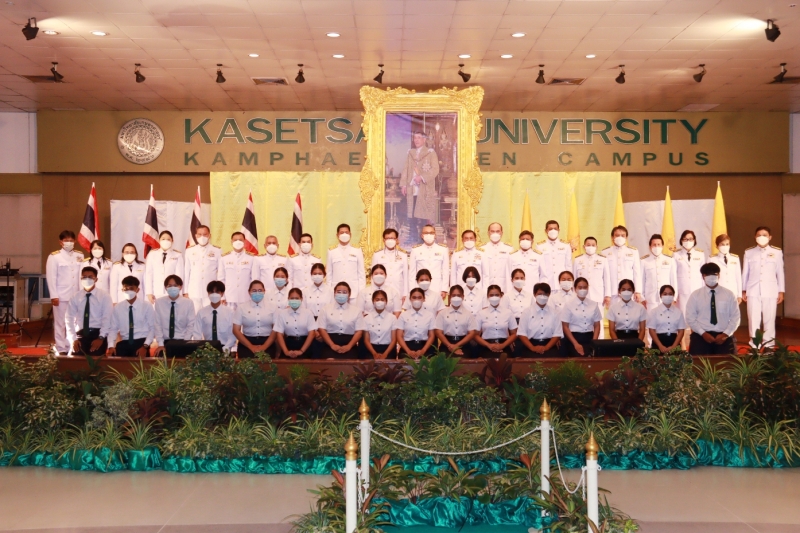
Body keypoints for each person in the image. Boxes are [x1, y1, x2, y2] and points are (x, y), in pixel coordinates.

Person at [742, 226, 784, 347]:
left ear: (770, 237)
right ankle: (754, 345)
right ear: (755, 237)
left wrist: (781, 291)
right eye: (759, 235)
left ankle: (768, 346)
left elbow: (780, 272)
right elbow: (745, 273)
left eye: (764, 235)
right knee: (753, 319)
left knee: (769, 319)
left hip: (770, 290)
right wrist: (743, 290)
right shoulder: (749, 252)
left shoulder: (777, 252)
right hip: (753, 290)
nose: (762, 237)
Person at [685, 262, 740, 355]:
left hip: (724, 335)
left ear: (719, 275)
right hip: (701, 335)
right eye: (708, 274)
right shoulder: (695, 295)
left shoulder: (729, 295)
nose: (711, 277)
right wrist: (703, 333)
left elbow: (736, 317)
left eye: (714, 274)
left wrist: (726, 334)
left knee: (730, 362)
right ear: (703, 276)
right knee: (697, 362)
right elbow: (690, 317)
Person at [46, 230, 85, 354]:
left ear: (75, 241)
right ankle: (61, 348)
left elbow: (81, 276)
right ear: (60, 242)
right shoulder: (54, 257)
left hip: (77, 295)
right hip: (61, 296)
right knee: (60, 323)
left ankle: (72, 346)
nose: (69, 243)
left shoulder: (80, 256)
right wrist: (54, 295)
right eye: (66, 240)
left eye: (71, 240)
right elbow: (51, 277)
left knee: (76, 322)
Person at [65, 266, 112, 356]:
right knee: (75, 358)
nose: (87, 279)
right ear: (81, 279)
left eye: (90, 277)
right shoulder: (75, 297)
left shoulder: (104, 296)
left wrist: (101, 338)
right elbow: (69, 319)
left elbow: (107, 318)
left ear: (96, 279)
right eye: (84, 277)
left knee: (95, 358)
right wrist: (73, 339)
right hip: (81, 334)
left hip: (98, 333)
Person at [400, 130, 439, 237]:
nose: (416, 140)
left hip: (424, 188)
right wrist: (403, 185)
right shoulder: (411, 153)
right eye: (415, 138)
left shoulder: (430, 153)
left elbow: (435, 169)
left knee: (423, 214)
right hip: (411, 187)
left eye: (419, 137)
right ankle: (412, 237)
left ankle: (422, 237)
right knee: (411, 213)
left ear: (424, 139)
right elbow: (406, 169)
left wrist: (421, 177)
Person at [107, 276, 155, 358]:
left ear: (137, 290)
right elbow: (113, 329)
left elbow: (153, 328)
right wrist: (111, 346)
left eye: (131, 288)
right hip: (125, 342)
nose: (128, 291)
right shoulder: (118, 307)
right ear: (122, 290)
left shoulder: (146, 306)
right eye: (126, 288)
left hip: (141, 342)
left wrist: (145, 346)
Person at [572, 236, 610, 339]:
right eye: (588, 245)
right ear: (584, 246)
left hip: (598, 295)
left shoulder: (603, 259)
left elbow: (607, 278)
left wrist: (607, 295)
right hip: (582, 296)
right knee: (583, 319)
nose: (590, 247)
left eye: (593, 245)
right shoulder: (578, 260)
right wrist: (574, 295)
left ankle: (600, 342)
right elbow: (574, 279)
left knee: (598, 320)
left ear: (597, 247)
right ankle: (585, 341)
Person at [674, 229, 705, 349]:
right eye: (685, 239)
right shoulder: (676, 255)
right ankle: (682, 345)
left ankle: (694, 344)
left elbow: (703, 275)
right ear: (681, 240)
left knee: (695, 319)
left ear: (694, 240)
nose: (688, 241)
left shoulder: (700, 254)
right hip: (682, 292)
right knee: (681, 319)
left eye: (690, 239)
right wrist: (675, 295)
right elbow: (674, 275)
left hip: (697, 292)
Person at [317, 282, 364, 359]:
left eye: (344, 292)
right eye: (339, 292)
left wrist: (349, 346)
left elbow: (359, 332)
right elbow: (322, 329)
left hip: (350, 345)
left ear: (349, 295)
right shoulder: (325, 309)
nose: (341, 294)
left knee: (350, 364)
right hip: (329, 344)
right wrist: (332, 345)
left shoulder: (356, 311)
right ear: (334, 293)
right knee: (329, 362)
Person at [233, 280, 277, 358]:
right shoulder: (241, 308)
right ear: (249, 292)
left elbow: (276, 329)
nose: (257, 293)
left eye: (260, 290)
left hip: (268, 343)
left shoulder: (273, 307)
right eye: (254, 291)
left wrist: (264, 347)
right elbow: (236, 330)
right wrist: (251, 346)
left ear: (264, 291)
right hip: (246, 343)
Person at [154, 275, 196, 356]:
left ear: (180, 287)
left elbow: (191, 324)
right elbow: (157, 324)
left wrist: (185, 342)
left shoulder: (188, 303)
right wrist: (160, 344)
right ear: (165, 287)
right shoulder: (159, 302)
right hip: (165, 342)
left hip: (182, 340)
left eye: (175, 285)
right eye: (169, 286)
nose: (172, 288)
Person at [516, 283, 562, 357]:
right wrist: (532, 347)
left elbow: (557, 334)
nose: (542, 296)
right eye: (540, 294)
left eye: (545, 294)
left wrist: (546, 347)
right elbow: (521, 333)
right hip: (530, 345)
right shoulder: (526, 312)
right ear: (534, 294)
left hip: (550, 346)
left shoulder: (555, 313)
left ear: (549, 295)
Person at [560, 277, 602, 357]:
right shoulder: (569, 305)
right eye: (580, 287)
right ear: (575, 289)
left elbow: (597, 325)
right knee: (579, 358)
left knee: (593, 359)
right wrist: (575, 344)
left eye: (585, 287)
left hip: (590, 337)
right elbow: (565, 326)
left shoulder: (594, 304)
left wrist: (594, 342)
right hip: (573, 338)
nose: (582, 290)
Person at [183, 225, 221, 312]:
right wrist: (185, 291)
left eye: (205, 234)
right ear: (196, 236)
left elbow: (220, 272)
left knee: (210, 315)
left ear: (209, 235)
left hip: (211, 290)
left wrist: (218, 290)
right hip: (194, 290)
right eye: (199, 234)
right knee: (194, 315)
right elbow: (186, 272)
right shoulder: (189, 251)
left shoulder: (217, 250)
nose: (202, 237)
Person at [434, 284, 478, 357]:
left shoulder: (468, 314)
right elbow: (438, 332)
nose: (456, 298)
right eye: (454, 295)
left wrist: (456, 345)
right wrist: (450, 345)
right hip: (446, 344)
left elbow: (472, 333)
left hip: (464, 344)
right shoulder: (442, 313)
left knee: (465, 360)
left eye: (459, 295)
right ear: (449, 297)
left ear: (463, 297)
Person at [602, 225, 642, 303]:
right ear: (612, 237)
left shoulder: (633, 251)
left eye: (623, 235)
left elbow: (637, 273)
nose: (620, 237)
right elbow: (604, 275)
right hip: (612, 293)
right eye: (617, 235)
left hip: (628, 291)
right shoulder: (605, 252)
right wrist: (606, 294)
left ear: (626, 237)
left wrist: (637, 291)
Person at [475, 284, 517, 357]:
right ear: (487, 296)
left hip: (504, 345)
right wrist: (488, 345)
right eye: (491, 295)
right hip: (485, 346)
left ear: (501, 296)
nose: (494, 297)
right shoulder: (481, 313)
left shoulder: (508, 312)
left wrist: (503, 345)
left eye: (497, 295)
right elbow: (475, 335)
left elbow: (514, 333)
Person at [193, 280, 237, 352]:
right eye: (211, 292)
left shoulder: (230, 312)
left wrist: (226, 348)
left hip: (225, 348)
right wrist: (201, 348)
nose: (214, 294)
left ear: (222, 293)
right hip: (206, 349)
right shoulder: (201, 312)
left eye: (217, 292)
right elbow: (197, 333)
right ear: (208, 294)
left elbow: (233, 334)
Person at [219, 232, 257, 312]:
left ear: (244, 241)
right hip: (229, 297)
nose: (238, 242)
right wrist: (222, 296)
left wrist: (253, 296)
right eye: (235, 240)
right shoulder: (224, 258)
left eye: (240, 240)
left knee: (246, 318)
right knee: (229, 319)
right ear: (231, 242)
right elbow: (221, 279)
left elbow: (254, 279)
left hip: (246, 297)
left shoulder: (251, 258)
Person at [274, 288, 318, 358]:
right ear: (288, 299)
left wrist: (301, 351)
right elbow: (279, 333)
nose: (294, 300)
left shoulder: (308, 313)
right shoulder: (282, 314)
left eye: (297, 298)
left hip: (306, 344)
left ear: (301, 299)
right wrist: (286, 351)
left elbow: (312, 333)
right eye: (292, 298)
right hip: (289, 344)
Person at [409, 224, 449, 298]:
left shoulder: (443, 249)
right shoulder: (415, 250)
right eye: (426, 233)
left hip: (437, 287)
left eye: (431, 233)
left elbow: (445, 271)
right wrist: (412, 289)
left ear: (435, 235)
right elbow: (412, 272)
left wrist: (444, 289)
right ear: (422, 235)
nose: (429, 235)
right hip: (420, 287)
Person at [327, 223, 365, 301]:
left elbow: (361, 273)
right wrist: (330, 292)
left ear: (350, 234)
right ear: (337, 235)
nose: (344, 234)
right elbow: (329, 274)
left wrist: (361, 292)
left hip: (354, 292)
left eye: (346, 232)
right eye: (341, 233)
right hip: (337, 292)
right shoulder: (331, 251)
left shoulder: (357, 250)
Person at [394, 287, 436, 358]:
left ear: (424, 299)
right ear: (410, 299)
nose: (417, 300)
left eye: (419, 297)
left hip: (425, 347)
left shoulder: (430, 315)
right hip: (406, 347)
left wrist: (423, 350)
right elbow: (399, 336)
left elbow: (431, 336)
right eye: (414, 297)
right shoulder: (403, 315)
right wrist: (408, 351)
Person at [145, 231, 184, 304]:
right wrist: (149, 292)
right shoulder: (152, 254)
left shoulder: (177, 255)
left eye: (168, 239)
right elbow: (148, 274)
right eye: (163, 239)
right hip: (155, 291)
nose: (165, 241)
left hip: (172, 291)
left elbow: (179, 275)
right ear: (159, 240)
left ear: (172, 241)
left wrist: (178, 292)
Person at [641, 234, 677, 310]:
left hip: (667, 298)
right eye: (654, 245)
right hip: (650, 300)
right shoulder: (644, 261)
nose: (656, 247)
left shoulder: (670, 260)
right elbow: (642, 281)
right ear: (650, 247)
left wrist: (674, 297)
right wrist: (642, 298)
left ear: (662, 246)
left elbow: (673, 280)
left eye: (658, 244)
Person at [646, 284, 686, 353]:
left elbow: (681, 331)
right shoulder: (654, 311)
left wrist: (674, 346)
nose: (668, 296)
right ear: (660, 296)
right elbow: (652, 330)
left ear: (673, 296)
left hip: (674, 341)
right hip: (658, 342)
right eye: (665, 294)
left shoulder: (679, 312)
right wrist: (660, 346)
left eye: (670, 294)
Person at [371, 228, 409, 301]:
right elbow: (373, 276)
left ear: (397, 240)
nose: (390, 240)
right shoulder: (377, 255)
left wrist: (405, 294)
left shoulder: (403, 255)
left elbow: (405, 276)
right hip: (382, 290)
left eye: (392, 238)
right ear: (384, 240)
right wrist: (374, 292)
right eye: (388, 238)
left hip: (398, 291)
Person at [360, 290, 398, 360]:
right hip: (371, 350)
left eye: (382, 299)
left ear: (386, 302)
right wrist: (374, 353)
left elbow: (394, 340)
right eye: (377, 300)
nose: (379, 302)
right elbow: (366, 340)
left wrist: (385, 354)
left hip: (388, 350)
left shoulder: (392, 318)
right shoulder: (367, 318)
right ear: (373, 302)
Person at [537, 220, 572, 288]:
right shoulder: (540, 246)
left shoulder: (566, 245)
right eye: (550, 229)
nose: (553, 231)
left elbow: (568, 265)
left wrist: (569, 282)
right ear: (546, 231)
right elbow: (539, 267)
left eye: (555, 229)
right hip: (546, 282)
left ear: (559, 230)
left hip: (562, 283)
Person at [708, 234, 742, 304]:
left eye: (727, 244)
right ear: (717, 246)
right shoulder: (712, 259)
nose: (725, 246)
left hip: (733, 292)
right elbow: (709, 278)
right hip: (718, 293)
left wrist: (739, 295)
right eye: (722, 244)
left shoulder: (735, 258)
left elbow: (738, 277)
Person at [480, 222, 513, 293]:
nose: (495, 233)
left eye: (497, 231)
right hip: (486, 286)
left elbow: (511, 270)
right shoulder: (482, 249)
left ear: (501, 233)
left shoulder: (509, 249)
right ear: (488, 233)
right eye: (492, 231)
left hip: (503, 287)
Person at [510, 230, 544, 295]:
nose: (525, 241)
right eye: (523, 239)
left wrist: (540, 292)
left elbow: (543, 276)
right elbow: (509, 276)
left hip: (533, 291)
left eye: (528, 239)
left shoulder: (538, 256)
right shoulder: (512, 256)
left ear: (532, 241)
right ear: (519, 241)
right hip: (516, 292)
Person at [451, 229, 483, 295]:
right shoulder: (456, 254)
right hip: (461, 289)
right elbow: (453, 275)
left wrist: (485, 291)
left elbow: (486, 275)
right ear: (462, 240)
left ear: (475, 239)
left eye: (471, 238)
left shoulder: (482, 254)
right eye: (466, 238)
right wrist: (453, 290)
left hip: (478, 288)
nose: (469, 240)